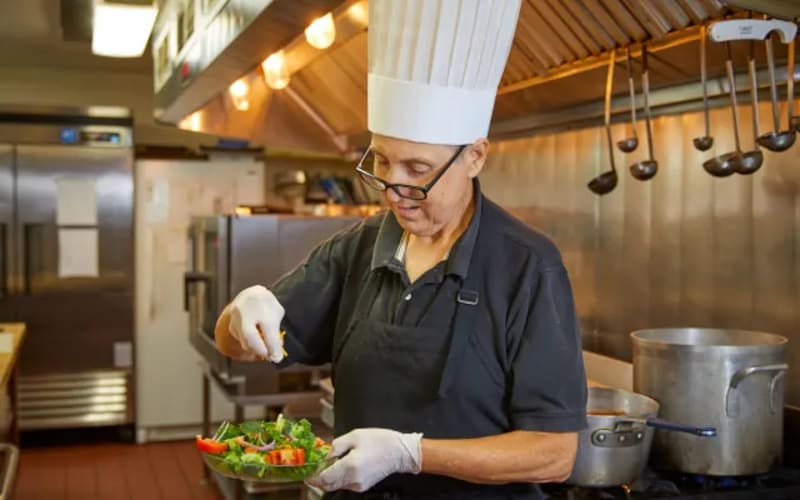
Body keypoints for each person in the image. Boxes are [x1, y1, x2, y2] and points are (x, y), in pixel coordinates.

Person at [214, 1, 588, 498]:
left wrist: (408, 454)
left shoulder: (527, 268)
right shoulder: (356, 250)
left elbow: (554, 454)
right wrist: (240, 313)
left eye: (416, 170)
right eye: (383, 161)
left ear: (475, 156)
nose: (392, 188)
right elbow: (233, 345)